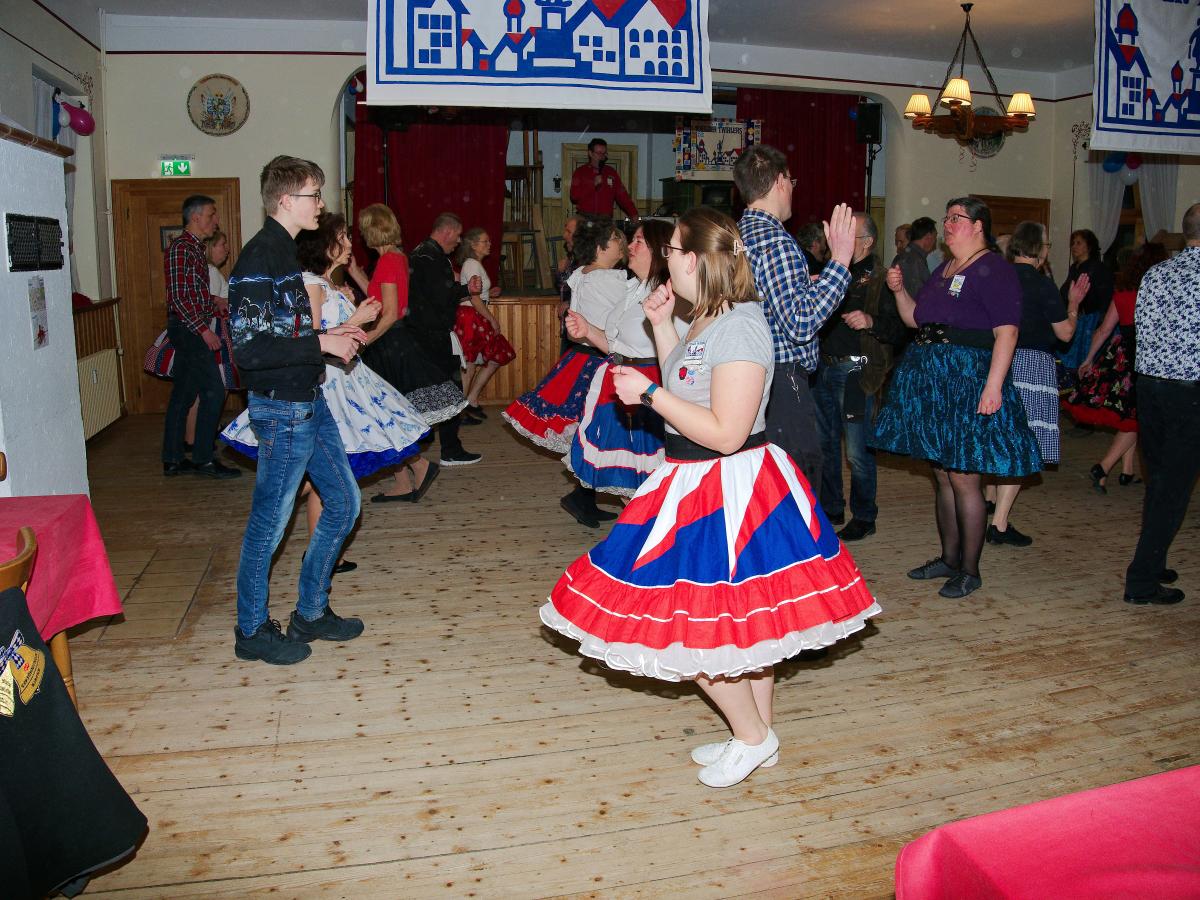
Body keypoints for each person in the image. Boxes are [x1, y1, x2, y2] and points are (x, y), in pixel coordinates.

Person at [539, 207, 880, 789]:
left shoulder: (742, 326)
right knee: (745, 630)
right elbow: (689, 382)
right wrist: (662, 326)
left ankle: (751, 736)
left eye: (671, 250)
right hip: (697, 479)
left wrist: (649, 394)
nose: (664, 259)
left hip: (729, 487)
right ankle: (757, 736)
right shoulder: (707, 317)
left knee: (695, 629)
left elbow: (726, 431)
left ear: (695, 259)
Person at [228, 155, 367, 665]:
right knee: (269, 524)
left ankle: (310, 611)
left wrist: (328, 335)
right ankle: (251, 629)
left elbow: (285, 333)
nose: (321, 204)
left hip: (308, 400)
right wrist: (323, 343)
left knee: (344, 503)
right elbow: (250, 350)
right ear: (286, 200)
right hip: (282, 408)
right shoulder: (259, 257)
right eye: (314, 195)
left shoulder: (283, 252)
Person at [222, 212, 432, 547]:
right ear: (324, 245)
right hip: (326, 384)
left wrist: (353, 312)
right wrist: (357, 319)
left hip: (344, 378)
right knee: (321, 476)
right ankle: (293, 531)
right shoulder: (311, 284)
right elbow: (312, 341)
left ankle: (323, 550)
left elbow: (338, 337)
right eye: (343, 238)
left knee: (330, 474)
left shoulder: (326, 283)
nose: (350, 244)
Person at [871, 197, 1042, 599]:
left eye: (956, 218)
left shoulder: (994, 269)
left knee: (964, 477)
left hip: (968, 379)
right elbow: (915, 319)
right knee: (943, 474)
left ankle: (970, 569)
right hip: (935, 381)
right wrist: (898, 291)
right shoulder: (944, 269)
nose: (947, 224)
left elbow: (1007, 332)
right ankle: (949, 559)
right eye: (946, 218)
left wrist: (993, 386)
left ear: (978, 225)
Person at [733, 143, 855, 498]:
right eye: (792, 181)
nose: (792, 190)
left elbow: (765, 302)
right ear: (779, 181)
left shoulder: (736, 236)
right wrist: (840, 263)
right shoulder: (777, 242)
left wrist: (808, 285)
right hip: (783, 382)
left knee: (758, 483)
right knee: (795, 483)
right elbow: (800, 323)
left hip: (745, 374)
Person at [561, 219, 678, 513]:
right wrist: (588, 330)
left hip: (649, 387)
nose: (630, 246)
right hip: (619, 385)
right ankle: (641, 530)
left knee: (649, 477)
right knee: (628, 477)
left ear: (659, 249)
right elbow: (617, 346)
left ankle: (649, 531)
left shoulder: (670, 294)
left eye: (639, 241)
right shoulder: (632, 287)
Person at [985, 221, 1088, 547]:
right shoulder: (1042, 285)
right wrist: (1073, 304)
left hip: (996, 362)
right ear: (1040, 250)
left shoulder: (997, 278)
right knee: (1023, 443)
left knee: (999, 434)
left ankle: (990, 497)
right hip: (1031, 367)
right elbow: (1065, 334)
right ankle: (999, 524)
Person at [356, 205, 470, 496]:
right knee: (387, 414)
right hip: (394, 341)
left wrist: (365, 340)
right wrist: (356, 273)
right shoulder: (395, 257)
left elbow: (390, 313)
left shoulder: (388, 260)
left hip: (388, 343)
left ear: (372, 230)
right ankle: (405, 478)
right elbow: (380, 297)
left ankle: (417, 468)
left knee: (385, 414)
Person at [504, 219, 628, 479]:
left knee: (585, 422)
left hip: (579, 357)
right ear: (600, 248)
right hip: (598, 358)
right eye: (618, 241)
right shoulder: (608, 278)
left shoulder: (582, 273)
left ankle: (584, 483)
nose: (623, 246)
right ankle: (588, 480)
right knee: (599, 424)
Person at [1123, 202, 1200, 606]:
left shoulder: (1156, 273)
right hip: (1189, 392)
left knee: (1159, 480)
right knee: (1173, 487)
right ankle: (1141, 581)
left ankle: (1155, 561)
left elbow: (1139, 329)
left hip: (1150, 387)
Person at [812, 211, 905, 541]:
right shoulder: (832, 272)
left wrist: (870, 321)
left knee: (857, 450)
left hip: (856, 371)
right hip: (822, 367)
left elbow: (900, 329)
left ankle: (864, 515)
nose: (839, 239)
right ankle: (831, 507)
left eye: (848, 234)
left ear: (866, 242)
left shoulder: (882, 278)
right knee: (824, 444)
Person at [1064, 243, 1167, 493]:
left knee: (1129, 417)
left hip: (1123, 358)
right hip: (1146, 362)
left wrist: (1088, 359)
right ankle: (1103, 467)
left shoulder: (1123, 293)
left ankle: (1127, 471)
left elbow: (1104, 330)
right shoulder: (1159, 293)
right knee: (1136, 419)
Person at [160, 194, 240, 479]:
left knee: (183, 395)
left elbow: (192, 293)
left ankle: (172, 459)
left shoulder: (193, 248)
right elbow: (179, 298)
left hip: (189, 328)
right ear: (195, 218)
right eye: (211, 215)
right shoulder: (182, 248)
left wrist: (215, 300)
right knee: (214, 391)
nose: (215, 220)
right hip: (190, 330)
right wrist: (204, 330)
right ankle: (203, 459)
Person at [143, 229, 242, 452]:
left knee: (209, 387)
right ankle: (193, 438)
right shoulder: (209, 271)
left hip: (210, 330)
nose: (226, 249)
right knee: (205, 388)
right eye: (222, 244)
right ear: (210, 248)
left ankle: (200, 433)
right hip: (209, 331)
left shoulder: (210, 271)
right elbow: (204, 304)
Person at [408, 212, 486, 466]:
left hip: (419, 333)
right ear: (448, 232)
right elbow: (441, 296)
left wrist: (463, 289)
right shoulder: (432, 257)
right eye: (458, 235)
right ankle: (450, 449)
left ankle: (424, 444)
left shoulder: (420, 252)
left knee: (428, 391)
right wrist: (466, 290)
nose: (459, 241)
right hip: (433, 335)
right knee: (451, 390)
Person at [456, 228, 516, 417]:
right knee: (469, 364)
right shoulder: (472, 264)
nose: (489, 244)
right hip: (471, 315)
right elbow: (474, 298)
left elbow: (474, 294)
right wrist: (492, 319)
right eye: (485, 241)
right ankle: (459, 410)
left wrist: (488, 293)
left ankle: (470, 400)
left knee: (488, 358)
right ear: (473, 245)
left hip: (474, 315)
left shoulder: (473, 264)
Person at [1057, 229, 1114, 384]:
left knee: (1085, 358)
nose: (1074, 247)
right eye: (1073, 243)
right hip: (1075, 317)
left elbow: (1104, 297)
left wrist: (1099, 321)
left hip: (1090, 320)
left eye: (1079, 243)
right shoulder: (1074, 267)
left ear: (1089, 246)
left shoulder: (1098, 268)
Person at [569, 138, 639, 222]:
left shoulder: (611, 173)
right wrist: (592, 185)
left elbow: (623, 196)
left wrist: (633, 213)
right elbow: (574, 196)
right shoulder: (580, 172)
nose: (602, 156)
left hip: (605, 220)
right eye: (599, 153)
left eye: (604, 153)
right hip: (585, 219)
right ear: (590, 153)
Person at [556, 214, 583, 353]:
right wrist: (560, 272)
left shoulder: (589, 260)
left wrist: (570, 301)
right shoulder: (572, 257)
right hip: (570, 328)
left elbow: (591, 291)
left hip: (583, 333)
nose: (564, 235)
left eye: (568, 231)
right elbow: (563, 287)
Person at [892, 216, 937, 299]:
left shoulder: (907, 256)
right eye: (935, 237)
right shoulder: (913, 260)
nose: (935, 241)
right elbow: (916, 297)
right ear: (929, 237)